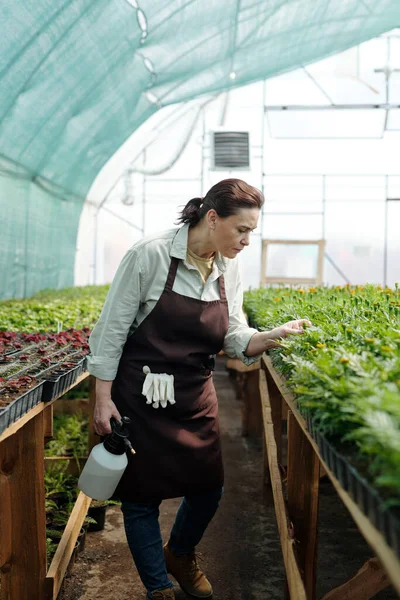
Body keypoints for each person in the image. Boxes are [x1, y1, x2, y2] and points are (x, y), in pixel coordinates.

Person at [87, 178, 311, 600]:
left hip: (194, 392)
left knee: (209, 488)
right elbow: (111, 331)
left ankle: (181, 553)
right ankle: (159, 588)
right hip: (141, 394)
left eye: (251, 232)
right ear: (212, 217)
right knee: (140, 498)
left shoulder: (230, 266)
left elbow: (234, 334)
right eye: (241, 230)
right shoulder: (149, 255)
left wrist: (276, 335)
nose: (246, 241)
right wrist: (102, 397)